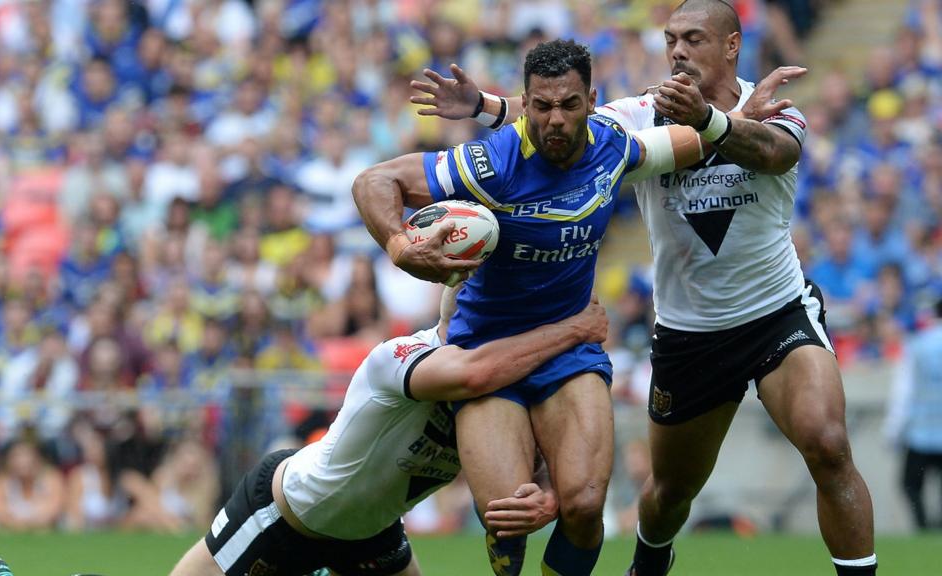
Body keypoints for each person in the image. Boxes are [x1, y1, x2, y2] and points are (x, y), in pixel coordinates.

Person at [411, 1, 878, 575]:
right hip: (690, 332)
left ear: (732, 45)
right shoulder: (640, 116)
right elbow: (566, 117)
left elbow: (774, 151)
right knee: (667, 497)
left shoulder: (772, 104)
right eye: (670, 39)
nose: (677, 50)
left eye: (693, 38)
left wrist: (713, 121)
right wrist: (484, 107)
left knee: (828, 443)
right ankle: (650, 561)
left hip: (775, 312)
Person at [354, 39, 717, 576]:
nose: (555, 120)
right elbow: (374, 180)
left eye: (569, 105)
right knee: (507, 515)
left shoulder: (613, 146)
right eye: (542, 106)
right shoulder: (491, 161)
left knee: (584, 505)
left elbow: (692, 141)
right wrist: (400, 246)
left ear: (591, 100)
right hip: (488, 354)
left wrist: (737, 121)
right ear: (525, 103)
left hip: (570, 348)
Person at [168, 286, 609, 576]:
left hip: (373, 534)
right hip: (286, 515)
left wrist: (544, 492)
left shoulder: (501, 396)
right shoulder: (401, 356)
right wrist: (572, 330)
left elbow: (541, 461)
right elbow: (472, 373)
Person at [884, 297, 942, 531]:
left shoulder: (917, 345)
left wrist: (892, 431)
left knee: (910, 483)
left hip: (921, 429)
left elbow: (903, 392)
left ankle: (923, 524)